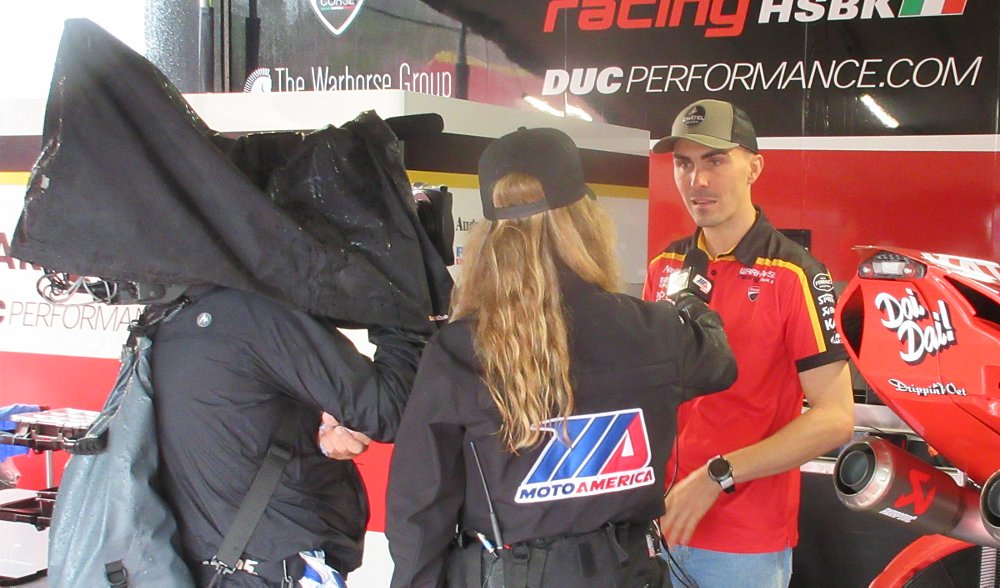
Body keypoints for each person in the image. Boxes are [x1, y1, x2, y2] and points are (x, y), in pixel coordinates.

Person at [386, 127, 737, 588]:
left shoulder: (459, 351)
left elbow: (419, 513)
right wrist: (689, 302)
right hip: (628, 574)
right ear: (585, 222)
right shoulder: (655, 332)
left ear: (490, 237)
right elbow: (719, 361)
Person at [643, 99, 855, 587]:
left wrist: (719, 475)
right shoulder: (665, 267)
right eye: (684, 163)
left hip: (743, 547)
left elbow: (836, 417)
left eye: (715, 161)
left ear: (754, 166)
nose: (697, 181)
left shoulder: (796, 274)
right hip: (656, 526)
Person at [151, 286, 426, 587]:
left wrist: (314, 435)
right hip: (271, 568)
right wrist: (400, 297)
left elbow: (235, 429)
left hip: (206, 566)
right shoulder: (254, 313)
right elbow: (387, 410)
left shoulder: (166, 317)